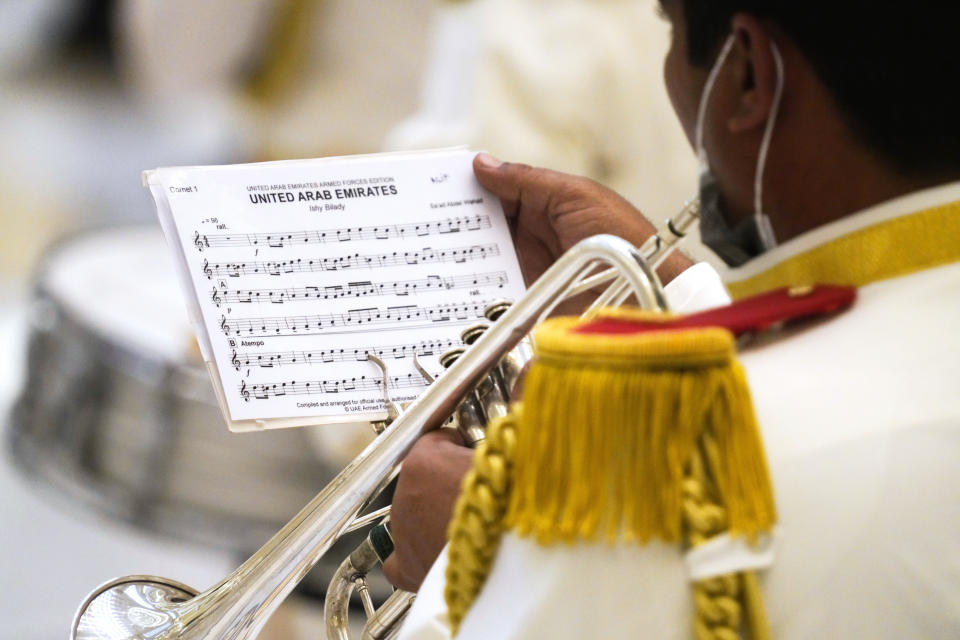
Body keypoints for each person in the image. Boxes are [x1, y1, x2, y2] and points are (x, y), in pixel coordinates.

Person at [386, 0, 960, 637]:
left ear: (747, 75)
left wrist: (476, 561)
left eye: (670, 31)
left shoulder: (651, 466)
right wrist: (681, 299)